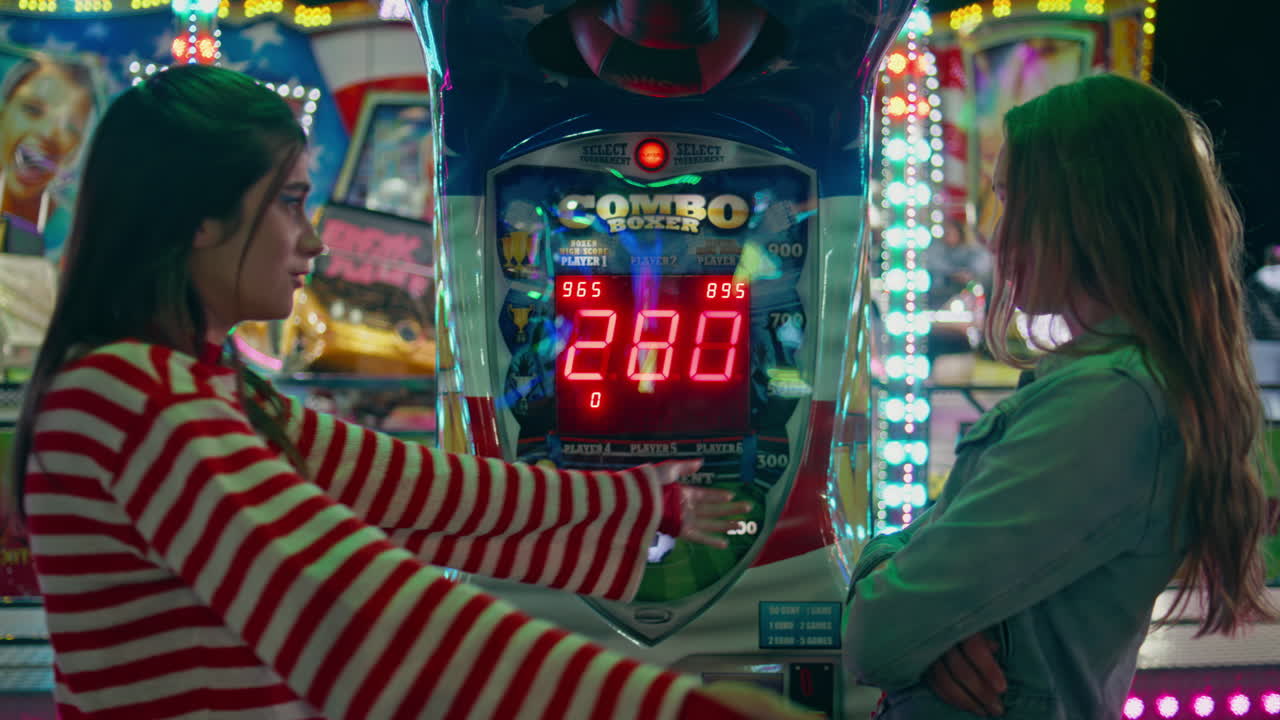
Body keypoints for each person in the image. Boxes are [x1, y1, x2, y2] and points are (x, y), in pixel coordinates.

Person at [2, 65, 813, 720]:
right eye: (289, 202)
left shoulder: (201, 383)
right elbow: (348, 616)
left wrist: (644, 507)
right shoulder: (131, 397)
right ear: (198, 220)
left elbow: (423, 497)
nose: (312, 239)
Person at [845, 73, 1278, 719]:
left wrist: (892, 584)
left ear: (1088, 215)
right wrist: (932, 624)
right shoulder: (1104, 388)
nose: (995, 235)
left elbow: (874, 635)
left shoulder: (1108, 405)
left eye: (1012, 201)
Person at [0, 54, 95, 231]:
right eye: (33, 110)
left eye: (70, 128)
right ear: (3, 114)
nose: (47, 133)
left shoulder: (73, 234)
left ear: (76, 150)